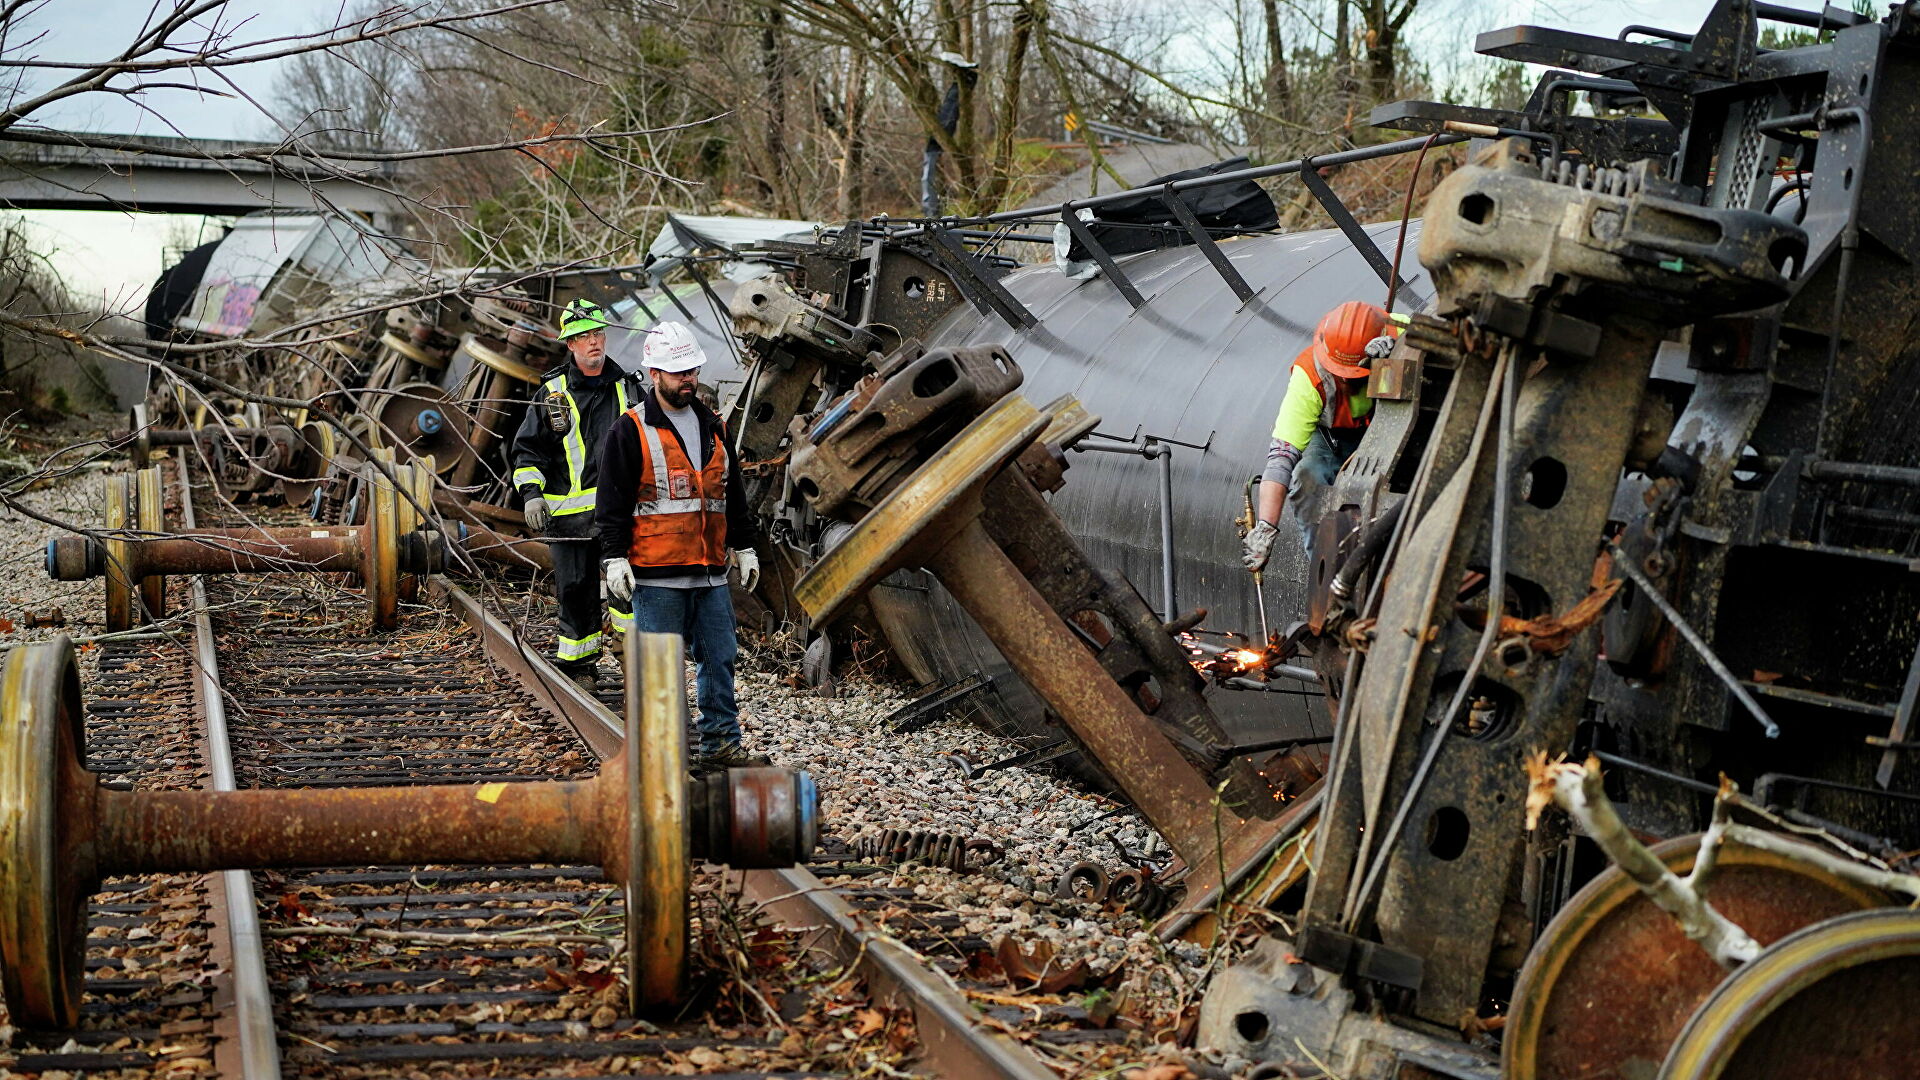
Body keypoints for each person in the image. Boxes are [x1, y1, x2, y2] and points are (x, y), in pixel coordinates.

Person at [595, 320, 761, 770]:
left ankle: (721, 746)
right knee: (661, 673)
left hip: (710, 572)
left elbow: (733, 494)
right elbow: (611, 503)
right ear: (654, 374)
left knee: (720, 660)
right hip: (657, 575)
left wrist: (743, 546)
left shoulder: (714, 426)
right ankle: (664, 758)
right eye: (678, 372)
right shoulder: (630, 431)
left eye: (692, 369)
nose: (688, 378)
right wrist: (613, 558)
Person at [510, 298, 644, 692]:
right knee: (574, 591)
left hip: (620, 515)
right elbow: (527, 451)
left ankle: (635, 662)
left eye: (597, 334)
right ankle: (579, 668)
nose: (592, 343)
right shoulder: (551, 395)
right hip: (568, 519)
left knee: (629, 589)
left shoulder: (628, 388)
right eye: (583, 337)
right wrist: (532, 494)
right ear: (569, 345)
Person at [1242, 300, 1401, 572]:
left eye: (1353, 374)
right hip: (1332, 438)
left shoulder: (1401, 330)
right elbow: (1281, 457)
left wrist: (1402, 353)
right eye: (1340, 373)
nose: (1345, 380)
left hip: (1392, 428)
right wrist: (1266, 528)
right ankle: (1325, 573)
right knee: (1307, 477)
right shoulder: (1310, 374)